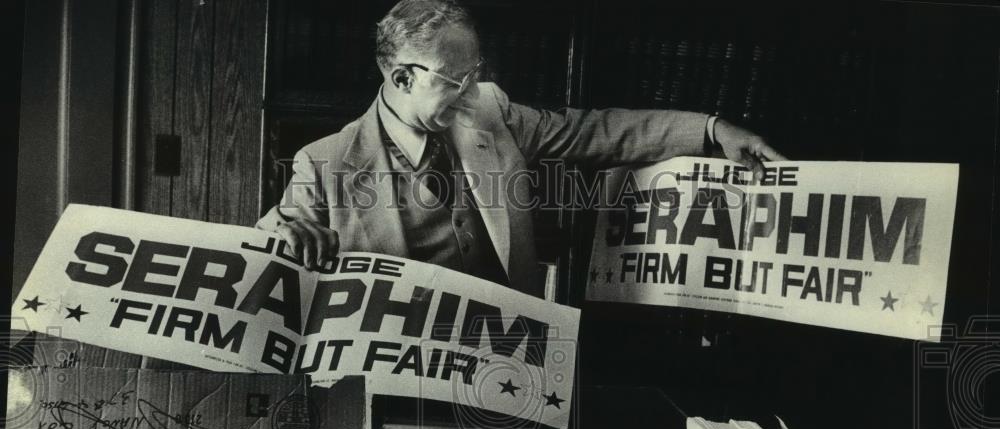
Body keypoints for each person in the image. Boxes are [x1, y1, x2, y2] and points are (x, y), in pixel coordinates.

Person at [257, 0, 784, 297]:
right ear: (401, 76)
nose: (471, 92)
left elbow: (597, 131)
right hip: (389, 376)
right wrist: (283, 232)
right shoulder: (322, 161)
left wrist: (714, 130)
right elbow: (266, 248)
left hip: (506, 359)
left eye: (475, 74)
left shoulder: (491, 113)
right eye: (455, 79)